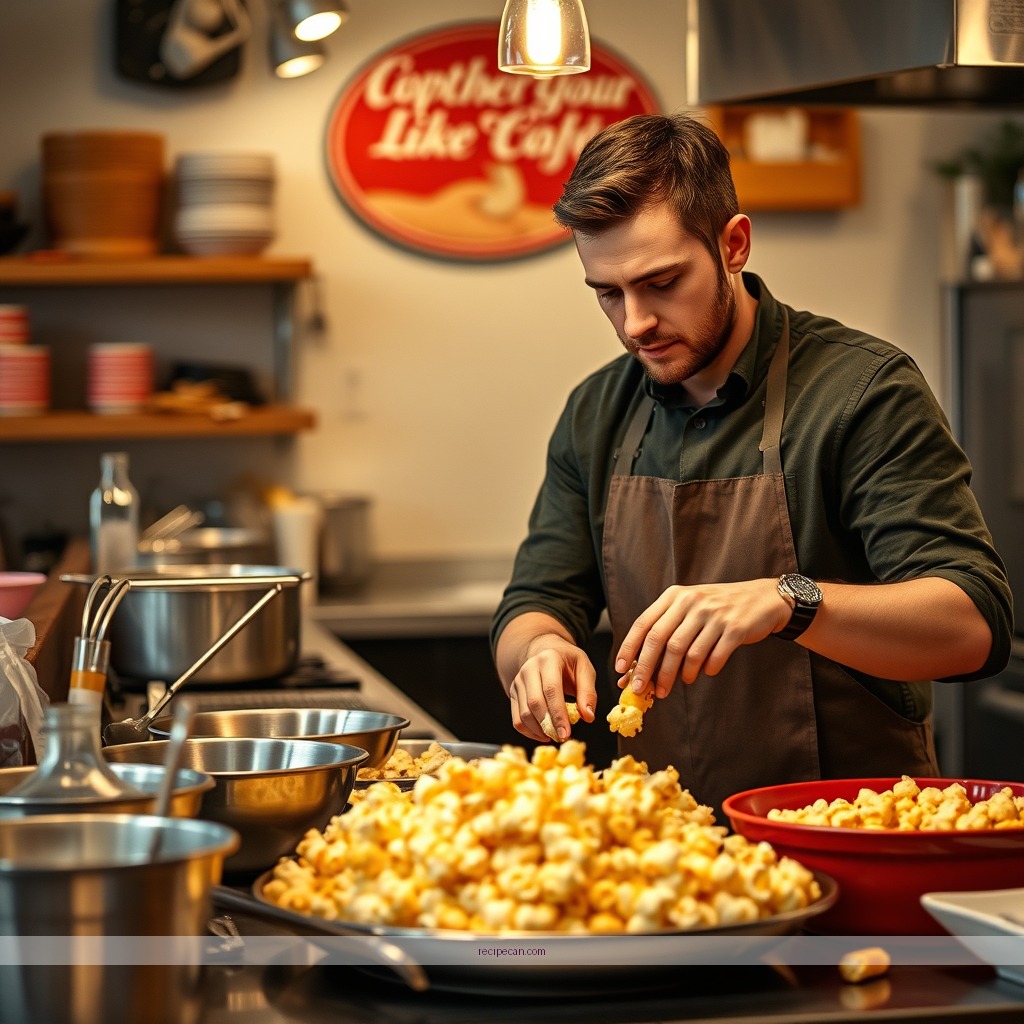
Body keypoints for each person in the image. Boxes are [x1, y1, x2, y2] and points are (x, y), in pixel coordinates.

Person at [490, 112, 1013, 816]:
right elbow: (536, 604)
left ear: (733, 245)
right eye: (608, 293)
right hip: (665, 852)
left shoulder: (862, 391)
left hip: (845, 834)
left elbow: (972, 624)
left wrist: (785, 601)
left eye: (662, 281)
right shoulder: (597, 413)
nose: (635, 322)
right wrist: (537, 657)